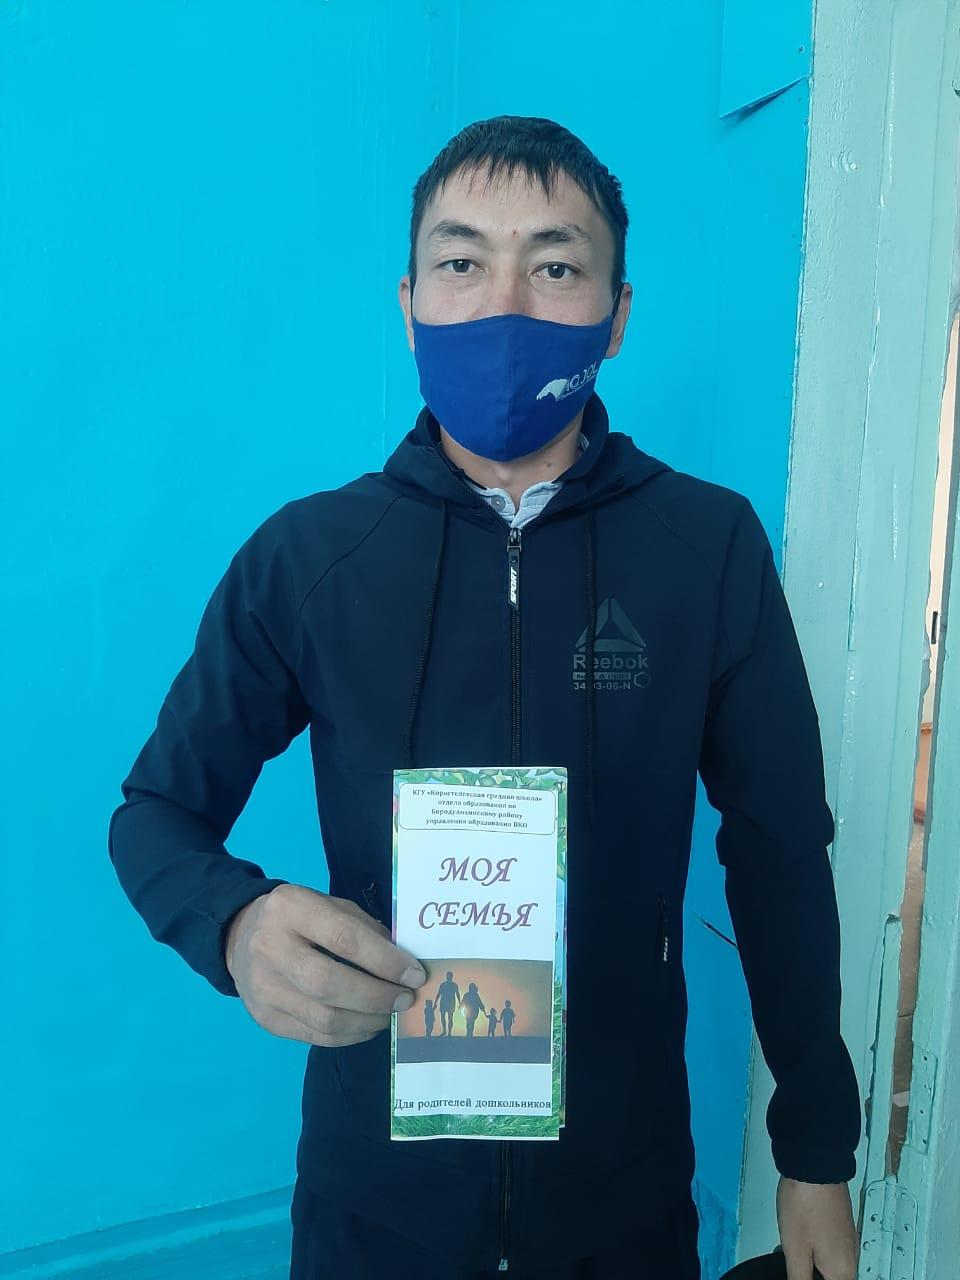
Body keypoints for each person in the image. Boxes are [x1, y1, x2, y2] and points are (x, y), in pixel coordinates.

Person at [108, 115, 862, 1280]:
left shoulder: (705, 545)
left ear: (617, 313)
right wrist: (236, 922)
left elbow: (781, 850)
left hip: (623, 1191)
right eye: (463, 261)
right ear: (410, 303)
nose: (504, 304)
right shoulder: (310, 557)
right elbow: (155, 811)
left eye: (555, 266)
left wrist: (816, 1150)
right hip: (375, 1199)